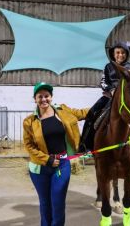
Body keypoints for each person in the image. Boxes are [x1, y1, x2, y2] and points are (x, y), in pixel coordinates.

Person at [23, 82, 88, 226]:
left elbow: (82, 113)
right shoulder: (29, 122)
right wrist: (47, 160)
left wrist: (105, 103)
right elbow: (29, 146)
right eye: (40, 96)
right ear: (35, 99)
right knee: (45, 204)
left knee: (58, 204)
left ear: (51, 97)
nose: (44, 99)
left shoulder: (62, 111)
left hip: (62, 165)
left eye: (47, 96)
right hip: (40, 168)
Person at [79, 42, 130, 152]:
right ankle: (85, 145)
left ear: (126, 54)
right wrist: (111, 90)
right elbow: (103, 82)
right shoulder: (108, 67)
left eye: (123, 53)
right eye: (117, 52)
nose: (120, 55)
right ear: (113, 54)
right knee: (92, 113)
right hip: (109, 97)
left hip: (125, 99)